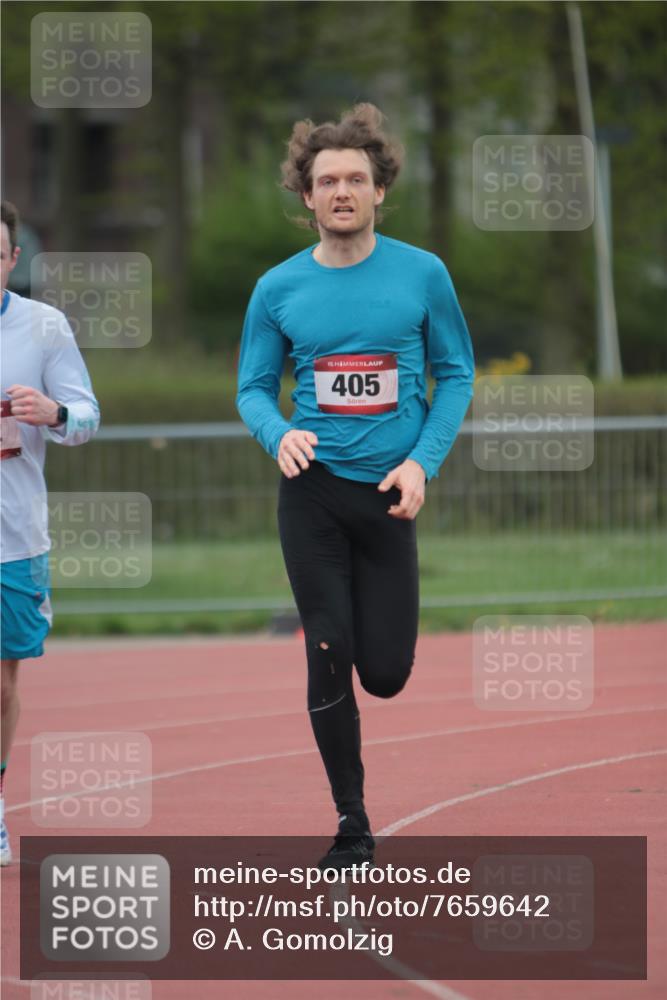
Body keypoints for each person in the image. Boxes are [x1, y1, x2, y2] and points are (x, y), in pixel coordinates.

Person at [236, 104, 474, 869]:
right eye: (327, 179)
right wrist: (280, 434)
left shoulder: (421, 274)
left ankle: (360, 773)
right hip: (312, 493)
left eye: (355, 179)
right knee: (327, 648)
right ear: (305, 196)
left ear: (379, 191)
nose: (342, 191)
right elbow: (249, 389)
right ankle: (352, 822)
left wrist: (421, 461)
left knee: (386, 674)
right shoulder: (276, 288)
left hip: (387, 494)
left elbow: (457, 373)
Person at [0, 200, 100, 864]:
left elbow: (88, 417)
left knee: (2, 683)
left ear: (11, 258)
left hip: (13, 538)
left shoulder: (43, 327)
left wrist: (54, 410)